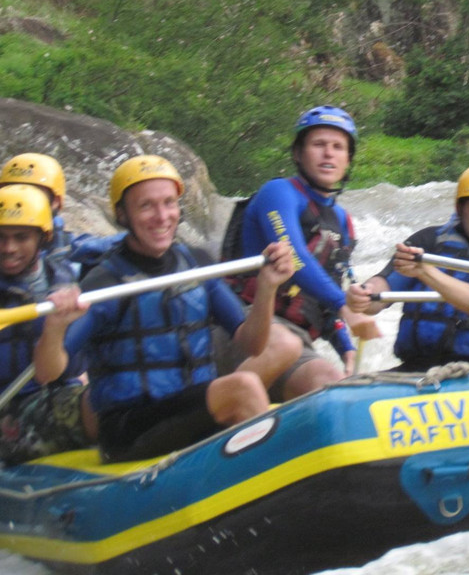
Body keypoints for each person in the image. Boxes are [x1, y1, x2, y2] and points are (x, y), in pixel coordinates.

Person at [33, 155, 296, 463]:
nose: (162, 216)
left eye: (169, 203)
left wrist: (267, 287)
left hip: (185, 408)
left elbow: (253, 344)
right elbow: (46, 373)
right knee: (244, 387)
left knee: (254, 384)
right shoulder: (105, 282)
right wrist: (54, 328)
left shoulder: (193, 265)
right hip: (129, 428)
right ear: (122, 214)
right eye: (146, 206)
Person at [232, 106, 380, 399]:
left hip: (296, 339)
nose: (329, 154)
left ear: (348, 160)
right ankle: (221, 414)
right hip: (246, 324)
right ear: (299, 154)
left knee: (329, 383)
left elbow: (324, 298)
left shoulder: (343, 222)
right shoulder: (277, 193)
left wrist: (346, 348)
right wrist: (344, 306)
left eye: (338, 147)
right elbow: (295, 257)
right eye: (318, 144)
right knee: (282, 344)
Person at [346, 163, 469, 371]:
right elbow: (382, 288)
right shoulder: (429, 242)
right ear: (460, 210)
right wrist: (364, 296)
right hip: (421, 369)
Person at [0, 184, 96, 464]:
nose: (8, 248)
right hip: (7, 419)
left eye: (21, 238)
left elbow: (79, 365)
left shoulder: (65, 281)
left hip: (64, 395)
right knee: (106, 401)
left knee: (121, 390)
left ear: (44, 238)